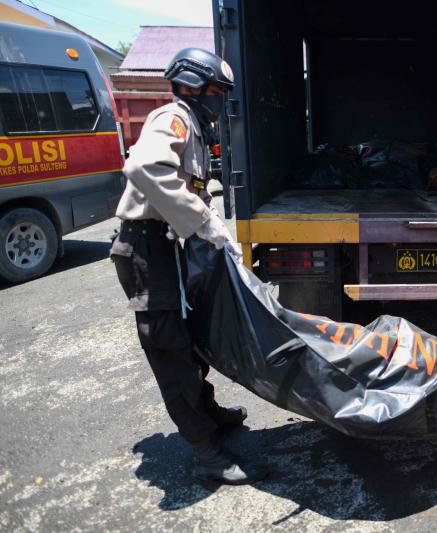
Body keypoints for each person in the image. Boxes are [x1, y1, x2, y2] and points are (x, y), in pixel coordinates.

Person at [110, 48, 267, 485]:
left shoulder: (195, 130)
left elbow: (188, 191)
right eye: (216, 91)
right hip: (147, 250)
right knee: (170, 347)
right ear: (192, 86)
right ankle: (204, 452)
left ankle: (209, 412)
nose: (219, 101)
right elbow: (144, 167)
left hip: (169, 246)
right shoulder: (173, 118)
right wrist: (200, 223)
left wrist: (216, 230)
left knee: (193, 336)